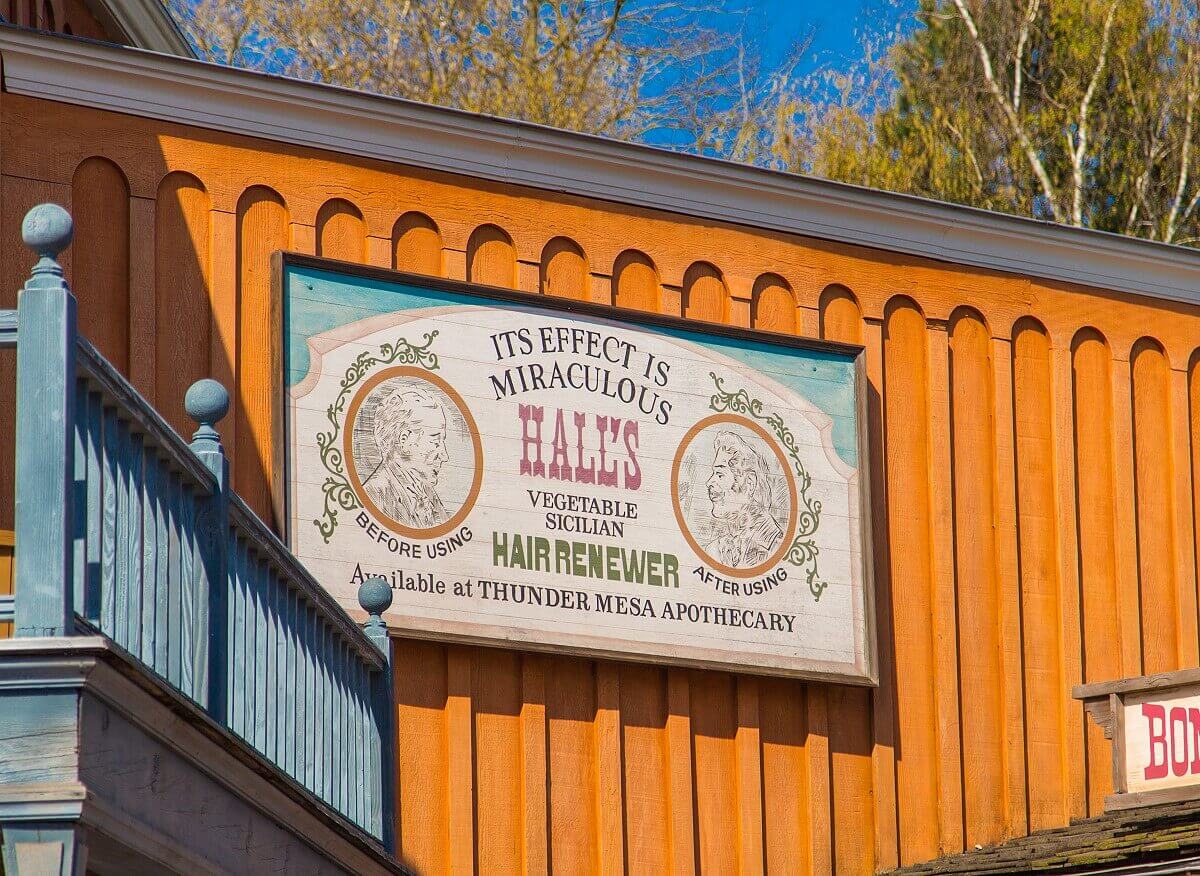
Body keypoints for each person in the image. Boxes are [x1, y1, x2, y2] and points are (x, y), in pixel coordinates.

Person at [361, 383, 450, 529]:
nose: (444, 455)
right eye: (435, 441)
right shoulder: (374, 495)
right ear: (404, 441)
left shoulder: (428, 495)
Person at [702, 431, 784, 569]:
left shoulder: (777, 545)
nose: (709, 482)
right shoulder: (714, 550)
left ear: (749, 484)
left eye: (720, 474)